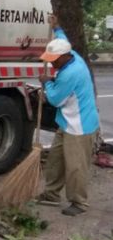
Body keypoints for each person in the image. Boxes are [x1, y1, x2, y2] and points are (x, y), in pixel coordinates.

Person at [36, 15, 100, 216]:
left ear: (63, 57)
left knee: (75, 167)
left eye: (54, 61)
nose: (52, 64)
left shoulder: (70, 73)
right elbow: (64, 39)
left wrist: (47, 83)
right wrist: (57, 27)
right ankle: (52, 194)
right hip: (66, 123)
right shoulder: (71, 54)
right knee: (55, 160)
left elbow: (54, 100)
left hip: (80, 127)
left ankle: (79, 202)